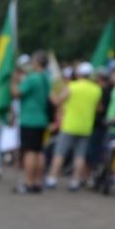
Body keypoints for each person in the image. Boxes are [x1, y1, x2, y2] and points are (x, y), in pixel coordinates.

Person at [46, 62, 102, 191]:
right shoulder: (96, 89)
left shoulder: (72, 86)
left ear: (79, 74)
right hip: (86, 127)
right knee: (80, 155)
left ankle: (52, 178)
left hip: (70, 125)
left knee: (60, 153)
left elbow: (58, 101)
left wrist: (50, 93)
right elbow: (99, 108)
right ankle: (75, 181)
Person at [12, 52, 51, 194]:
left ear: (37, 63)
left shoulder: (33, 78)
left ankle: (28, 182)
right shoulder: (46, 78)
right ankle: (37, 181)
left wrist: (13, 82)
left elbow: (17, 93)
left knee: (29, 152)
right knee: (39, 151)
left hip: (30, 118)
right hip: (41, 118)